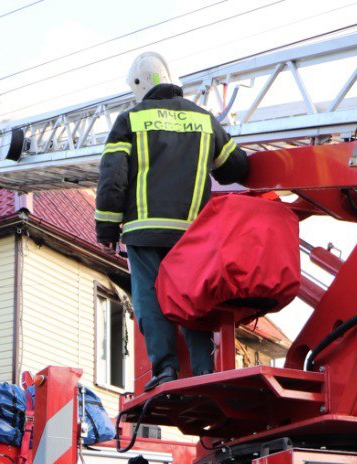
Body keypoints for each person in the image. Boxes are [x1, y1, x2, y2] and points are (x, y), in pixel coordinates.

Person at [95, 52, 250, 391]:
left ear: (139, 85)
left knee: (151, 299)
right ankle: (204, 370)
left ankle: (164, 370)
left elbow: (112, 179)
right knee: (191, 297)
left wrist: (106, 227)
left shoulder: (130, 120)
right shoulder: (205, 121)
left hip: (143, 232)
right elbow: (237, 168)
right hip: (192, 235)